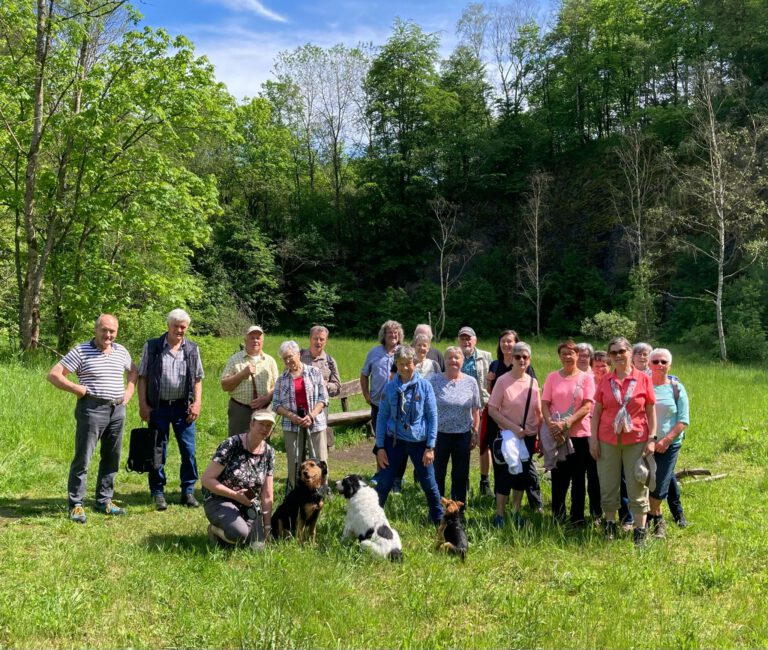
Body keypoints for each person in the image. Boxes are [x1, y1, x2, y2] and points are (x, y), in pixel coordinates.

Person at [47, 314, 137, 522]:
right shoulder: (81, 350)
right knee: (83, 457)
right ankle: (76, 504)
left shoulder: (121, 351)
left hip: (117, 409)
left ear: (116, 332)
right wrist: (76, 388)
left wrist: (129, 391)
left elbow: (134, 371)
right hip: (92, 408)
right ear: (96, 330)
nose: (108, 335)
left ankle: (104, 501)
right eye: (104, 330)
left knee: (111, 456)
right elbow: (54, 374)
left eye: (112, 331)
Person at [590, 336, 657, 546]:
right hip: (608, 439)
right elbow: (597, 411)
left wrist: (652, 438)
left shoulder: (643, 379)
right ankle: (610, 524)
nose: (618, 356)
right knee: (608, 483)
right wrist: (593, 440)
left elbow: (650, 410)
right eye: (614, 353)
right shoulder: (605, 380)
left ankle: (639, 530)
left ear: (630, 352)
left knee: (637, 482)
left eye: (622, 351)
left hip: (636, 439)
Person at [137, 309, 204, 511]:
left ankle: (188, 491)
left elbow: (198, 379)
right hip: (158, 407)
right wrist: (143, 404)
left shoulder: (192, 349)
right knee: (157, 450)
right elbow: (142, 378)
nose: (180, 330)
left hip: (183, 408)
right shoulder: (153, 347)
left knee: (189, 451)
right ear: (168, 326)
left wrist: (197, 403)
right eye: (176, 326)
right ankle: (158, 492)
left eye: (183, 327)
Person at [375, 345, 444, 524]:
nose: (405, 367)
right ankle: (372, 520)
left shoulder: (425, 386)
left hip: (419, 443)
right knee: (384, 483)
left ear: (415, 363)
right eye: (401, 364)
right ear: (396, 364)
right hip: (394, 441)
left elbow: (432, 416)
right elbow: (382, 418)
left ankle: (439, 520)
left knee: (429, 484)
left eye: (409, 363)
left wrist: (430, 446)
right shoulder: (390, 388)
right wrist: (380, 447)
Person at [541, 340, 598, 526]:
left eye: (571, 353)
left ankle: (577, 518)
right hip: (557, 436)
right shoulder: (552, 377)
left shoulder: (587, 378)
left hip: (579, 435)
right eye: (563, 353)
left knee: (579, 478)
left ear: (577, 356)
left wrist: (567, 423)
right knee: (558, 478)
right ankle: (557, 516)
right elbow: (545, 404)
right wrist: (552, 426)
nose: (567, 356)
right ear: (559, 356)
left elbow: (588, 405)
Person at [485, 330, 543, 510]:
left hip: (528, 436)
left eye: (525, 357)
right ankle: (500, 514)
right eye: (517, 356)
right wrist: (513, 428)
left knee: (521, 476)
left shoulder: (533, 383)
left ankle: (516, 511)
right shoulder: (502, 381)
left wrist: (539, 436)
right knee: (504, 475)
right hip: (507, 435)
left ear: (529, 360)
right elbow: (492, 410)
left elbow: (539, 412)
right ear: (513, 358)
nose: (521, 360)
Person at [202, 409, 275, 548]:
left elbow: (267, 494)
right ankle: (214, 530)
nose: (265, 428)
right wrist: (235, 495)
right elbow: (207, 479)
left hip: (248, 503)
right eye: (261, 424)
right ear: (252, 424)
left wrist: (267, 527)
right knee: (239, 533)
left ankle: (242, 531)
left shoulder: (269, 453)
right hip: (220, 499)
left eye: (269, 426)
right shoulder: (232, 444)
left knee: (257, 548)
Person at [272, 340, 329, 490]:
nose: (288, 361)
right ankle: (294, 490)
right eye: (284, 358)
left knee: (319, 458)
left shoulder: (314, 372)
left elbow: (324, 398)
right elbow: (276, 404)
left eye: (290, 356)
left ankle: (322, 489)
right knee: (294, 460)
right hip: (292, 424)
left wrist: (311, 415)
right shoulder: (281, 379)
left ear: (298, 354)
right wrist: (291, 416)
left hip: (315, 421)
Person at [430, 346, 481, 514]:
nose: (453, 361)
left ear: (462, 361)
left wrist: (475, 432)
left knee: (460, 475)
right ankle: (437, 510)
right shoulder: (435, 380)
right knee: (438, 474)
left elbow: (476, 409)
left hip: (463, 435)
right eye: (450, 358)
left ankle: (457, 510)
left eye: (457, 358)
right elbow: (428, 408)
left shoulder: (470, 381)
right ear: (445, 361)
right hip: (440, 435)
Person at [647, 348, 690, 538]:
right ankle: (657, 519)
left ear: (669, 365)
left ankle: (655, 519)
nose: (659, 365)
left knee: (659, 486)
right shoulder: (643, 386)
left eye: (664, 362)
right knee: (645, 482)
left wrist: (666, 440)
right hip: (645, 444)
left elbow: (683, 420)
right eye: (655, 361)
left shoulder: (676, 388)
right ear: (649, 364)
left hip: (669, 444)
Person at [361, 320, 404, 490]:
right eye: (389, 333)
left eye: (396, 333)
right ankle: (380, 472)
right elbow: (364, 374)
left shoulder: (403, 352)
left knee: (398, 439)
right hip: (378, 404)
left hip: (399, 406)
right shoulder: (374, 353)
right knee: (381, 439)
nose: (393, 336)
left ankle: (397, 478)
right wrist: (366, 394)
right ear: (383, 336)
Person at [221, 325, 279, 439]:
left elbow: (277, 386)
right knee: (237, 443)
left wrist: (266, 398)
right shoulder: (235, 359)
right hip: (240, 410)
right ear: (245, 340)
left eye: (258, 338)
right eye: (252, 337)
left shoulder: (270, 361)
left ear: (262, 341)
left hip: (264, 409)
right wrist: (242, 375)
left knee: (262, 444)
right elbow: (224, 385)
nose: (255, 341)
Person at [458, 326, 494, 496]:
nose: (466, 341)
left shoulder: (486, 356)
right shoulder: (454, 356)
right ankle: (462, 481)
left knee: (484, 445)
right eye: (463, 338)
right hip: (462, 408)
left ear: (475, 340)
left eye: (469, 338)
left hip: (483, 406)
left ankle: (484, 481)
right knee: (462, 446)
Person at [300, 325, 341, 448]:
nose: (318, 342)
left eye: (322, 339)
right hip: (300, 405)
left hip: (321, 407)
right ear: (310, 339)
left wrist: (325, 386)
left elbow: (338, 386)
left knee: (319, 444)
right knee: (300, 442)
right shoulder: (299, 357)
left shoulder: (329, 361)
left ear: (326, 341)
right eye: (315, 338)